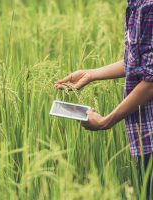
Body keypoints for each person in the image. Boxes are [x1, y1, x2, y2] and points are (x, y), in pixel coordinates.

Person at [54, 0, 153, 199]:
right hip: (144, 137)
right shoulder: (136, 4)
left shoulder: (148, 6)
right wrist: (91, 74)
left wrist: (105, 121)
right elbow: (137, 61)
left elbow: (151, 79)